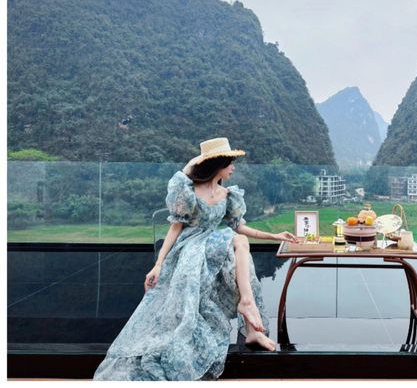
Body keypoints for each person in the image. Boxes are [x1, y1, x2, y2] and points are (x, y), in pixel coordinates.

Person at [94, 137, 298, 381]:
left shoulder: (228, 195)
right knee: (237, 244)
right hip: (190, 247)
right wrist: (159, 264)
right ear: (219, 164)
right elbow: (174, 229)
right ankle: (248, 311)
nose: (233, 168)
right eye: (230, 163)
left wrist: (273, 235)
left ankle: (250, 317)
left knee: (239, 242)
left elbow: (242, 228)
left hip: (216, 245)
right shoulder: (188, 193)